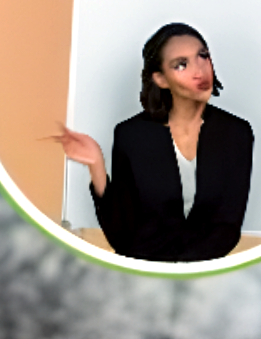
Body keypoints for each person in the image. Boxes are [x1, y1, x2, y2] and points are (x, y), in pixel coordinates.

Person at [52, 23, 253, 262]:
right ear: (160, 79)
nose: (199, 70)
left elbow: (228, 224)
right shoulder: (132, 135)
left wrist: (190, 269)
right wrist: (96, 163)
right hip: (143, 262)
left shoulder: (236, 133)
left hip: (208, 266)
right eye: (181, 64)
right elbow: (121, 231)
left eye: (203, 56)